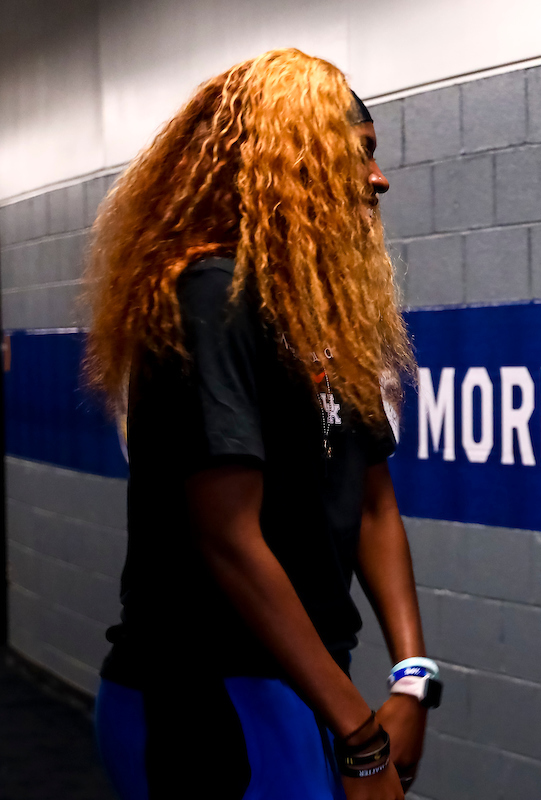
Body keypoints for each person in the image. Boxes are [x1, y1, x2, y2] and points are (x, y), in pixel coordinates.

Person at [85, 49, 432, 800]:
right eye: (360, 154)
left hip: (307, 684)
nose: (379, 179)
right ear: (293, 161)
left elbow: (373, 501)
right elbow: (229, 540)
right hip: (205, 696)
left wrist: (412, 679)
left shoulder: (321, 312)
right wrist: (361, 738)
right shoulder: (211, 296)